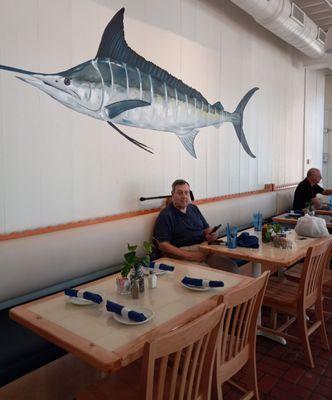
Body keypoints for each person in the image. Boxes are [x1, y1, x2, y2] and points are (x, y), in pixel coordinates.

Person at [153, 179, 237, 271]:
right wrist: (190, 256)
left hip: (204, 248)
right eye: (180, 193)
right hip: (183, 253)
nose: (184, 196)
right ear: (173, 194)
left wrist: (213, 235)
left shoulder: (193, 208)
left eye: (186, 193)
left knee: (232, 268)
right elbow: (162, 245)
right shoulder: (166, 215)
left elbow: (207, 230)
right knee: (209, 274)